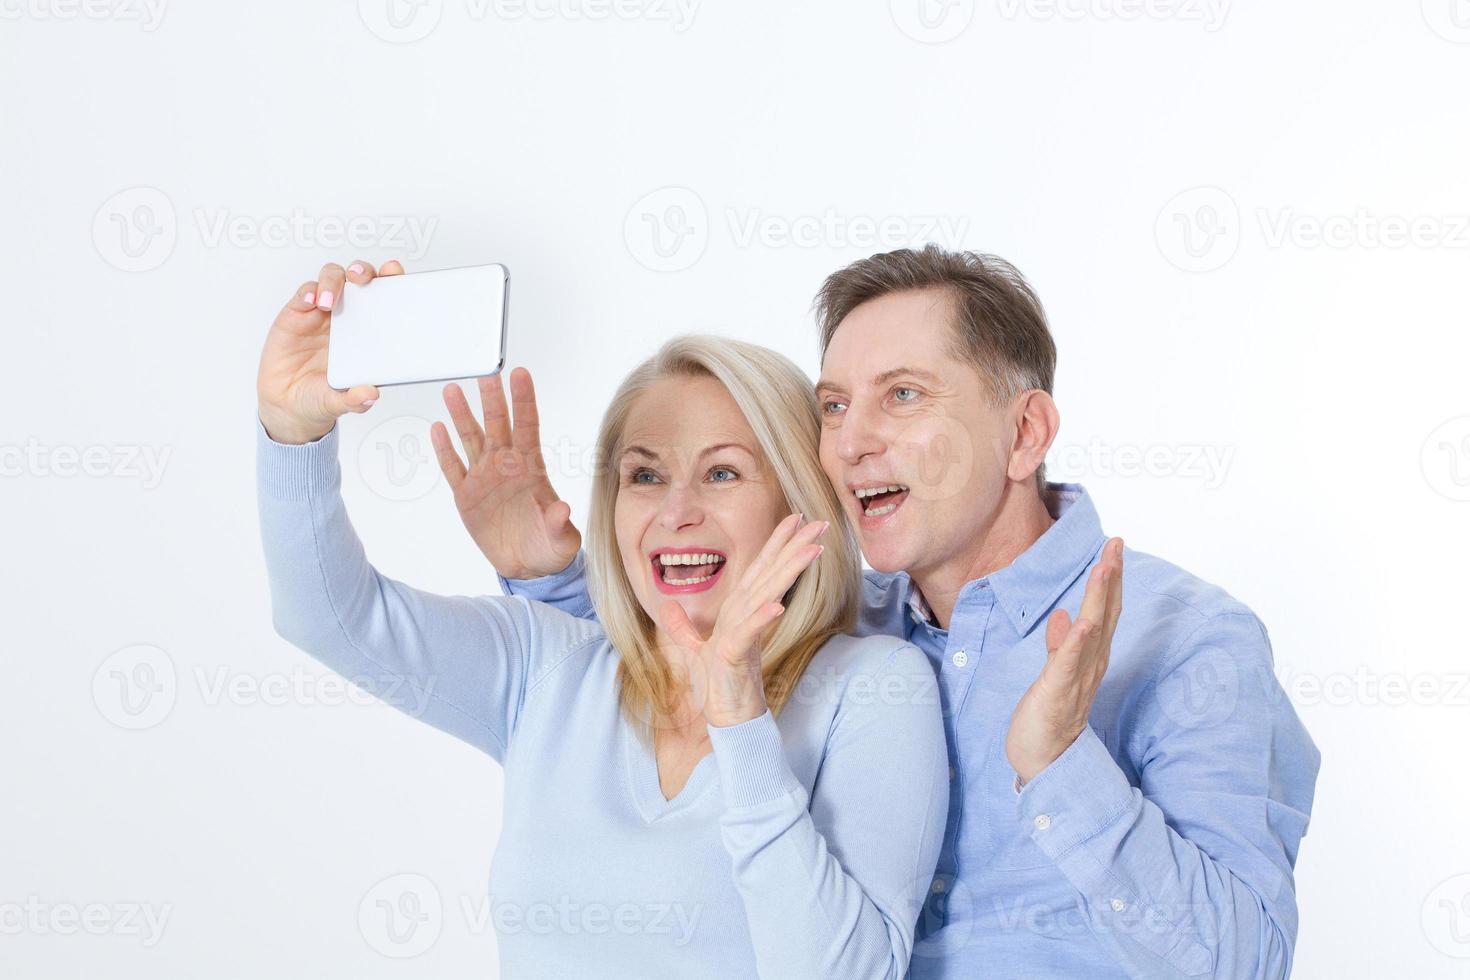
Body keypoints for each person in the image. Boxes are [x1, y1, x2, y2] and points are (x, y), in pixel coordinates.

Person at [473, 246, 1322, 978]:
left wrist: (1062, 764)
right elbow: (682, 665)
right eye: (835, 405)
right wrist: (549, 580)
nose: (848, 444)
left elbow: (1241, 960)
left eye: (904, 396)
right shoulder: (839, 621)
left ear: (1026, 434)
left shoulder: (1188, 640)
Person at [254, 260, 950, 979]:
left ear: (798, 503)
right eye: (644, 475)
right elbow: (330, 618)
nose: (675, 512)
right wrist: (290, 429)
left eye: (722, 473)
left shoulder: (874, 688)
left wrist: (739, 722)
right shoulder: (545, 665)